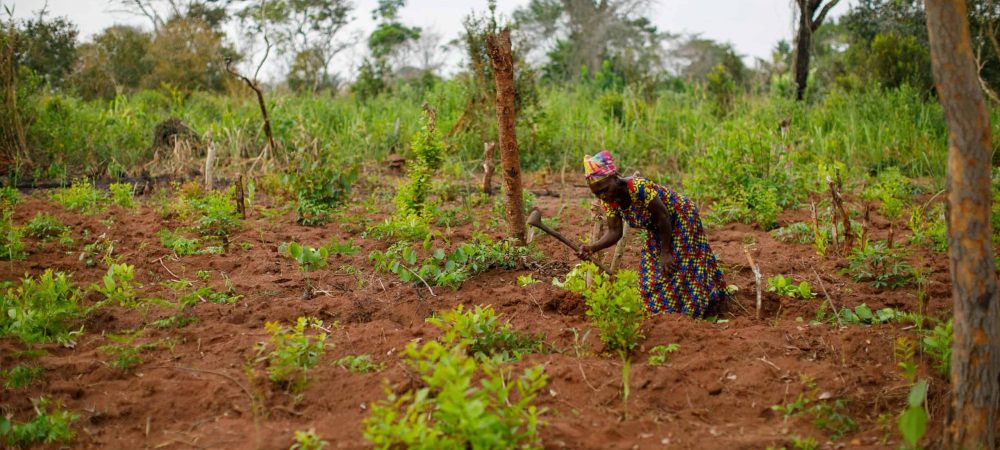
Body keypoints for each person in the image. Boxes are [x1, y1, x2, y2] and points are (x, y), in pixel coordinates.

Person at [578, 150, 729, 318]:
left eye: (605, 189)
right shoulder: (610, 202)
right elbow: (615, 231)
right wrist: (592, 247)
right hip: (657, 227)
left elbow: (663, 216)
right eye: (597, 193)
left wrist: (665, 252)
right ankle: (663, 315)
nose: (602, 195)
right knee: (651, 273)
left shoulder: (638, 187)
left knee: (680, 264)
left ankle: (691, 312)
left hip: (681, 218)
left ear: (615, 177)